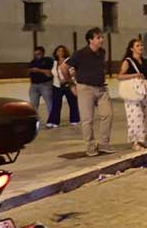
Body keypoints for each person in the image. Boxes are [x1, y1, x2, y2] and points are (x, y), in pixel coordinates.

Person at [62, 28, 114, 156]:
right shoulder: (81, 53)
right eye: (98, 37)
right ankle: (90, 146)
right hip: (85, 88)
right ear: (90, 40)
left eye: (102, 37)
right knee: (87, 119)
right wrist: (71, 84)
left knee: (108, 114)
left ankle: (103, 144)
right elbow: (64, 67)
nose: (101, 39)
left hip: (101, 88)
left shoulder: (102, 52)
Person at [119, 38, 147, 152]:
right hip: (132, 93)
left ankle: (141, 140)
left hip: (141, 92)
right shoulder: (128, 61)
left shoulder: (143, 60)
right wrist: (134, 75)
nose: (140, 47)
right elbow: (120, 76)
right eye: (137, 45)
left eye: (141, 45)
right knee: (135, 117)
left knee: (143, 117)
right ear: (132, 48)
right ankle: (134, 141)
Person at [47, 45, 81, 127]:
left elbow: (73, 72)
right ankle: (53, 121)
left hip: (68, 85)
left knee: (73, 102)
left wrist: (66, 80)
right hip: (57, 86)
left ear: (65, 52)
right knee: (56, 104)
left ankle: (75, 119)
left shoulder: (69, 61)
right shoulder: (54, 62)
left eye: (62, 50)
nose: (60, 52)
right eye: (58, 51)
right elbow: (52, 73)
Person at [28, 46, 56, 127]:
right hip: (34, 85)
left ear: (43, 53)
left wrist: (38, 70)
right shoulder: (32, 61)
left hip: (45, 84)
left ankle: (52, 120)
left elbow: (50, 72)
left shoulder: (48, 60)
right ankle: (34, 120)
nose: (37, 56)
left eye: (39, 54)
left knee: (49, 102)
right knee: (33, 104)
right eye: (35, 54)